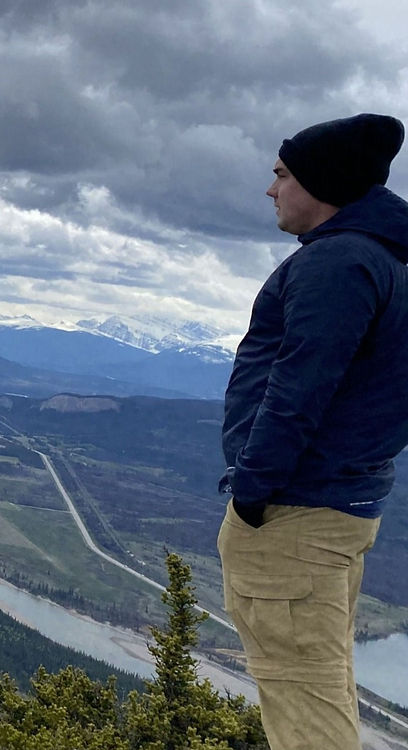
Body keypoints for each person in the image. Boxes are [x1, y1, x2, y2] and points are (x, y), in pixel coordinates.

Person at [218, 113, 408, 749]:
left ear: (320, 182)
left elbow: (298, 389)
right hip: (340, 504)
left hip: (293, 513)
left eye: (281, 174)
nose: (271, 190)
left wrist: (252, 489)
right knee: (325, 680)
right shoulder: (387, 261)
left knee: (303, 696)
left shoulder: (339, 263)